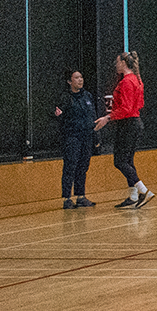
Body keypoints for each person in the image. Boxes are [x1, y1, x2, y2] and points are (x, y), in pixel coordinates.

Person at [95, 51, 155, 209]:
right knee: (128, 160)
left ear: (123, 63)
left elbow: (126, 108)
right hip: (134, 123)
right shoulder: (136, 80)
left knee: (120, 161)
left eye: (117, 62)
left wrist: (107, 118)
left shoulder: (127, 82)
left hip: (128, 124)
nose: (116, 65)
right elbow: (139, 105)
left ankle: (144, 190)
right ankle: (133, 195)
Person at [52, 70, 100, 209]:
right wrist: (58, 116)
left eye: (81, 77)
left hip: (87, 136)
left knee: (83, 166)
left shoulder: (88, 96)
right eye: (76, 78)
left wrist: (96, 135)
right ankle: (67, 198)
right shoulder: (65, 98)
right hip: (72, 137)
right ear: (69, 81)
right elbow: (58, 116)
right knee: (70, 166)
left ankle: (81, 196)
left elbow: (93, 116)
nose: (80, 80)